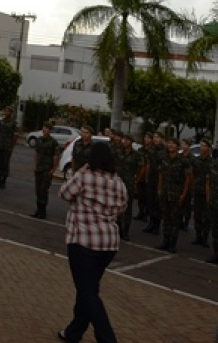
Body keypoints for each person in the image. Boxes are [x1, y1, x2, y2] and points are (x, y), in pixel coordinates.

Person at [58, 140, 127, 343]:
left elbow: (64, 193)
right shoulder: (118, 182)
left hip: (83, 240)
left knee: (88, 292)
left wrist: (82, 170)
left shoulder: (84, 176)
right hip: (108, 243)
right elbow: (122, 206)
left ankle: (107, 338)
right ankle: (74, 332)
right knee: (88, 289)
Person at [158, 136, 192, 253]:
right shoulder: (165, 158)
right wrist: (159, 188)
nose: (170, 146)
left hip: (176, 193)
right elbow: (161, 174)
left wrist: (183, 194)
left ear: (178, 147)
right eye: (169, 143)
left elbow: (188, 178)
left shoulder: (183, 161)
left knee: (175, 219)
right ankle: (165, 241)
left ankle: (173, 243)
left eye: (173, 144)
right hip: (165, 192)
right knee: (166, 217)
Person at [116, 134, 142, 240]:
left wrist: (137, 179)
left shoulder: (136, 155)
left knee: (127, 208)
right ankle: (117, 229)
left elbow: (141, 167)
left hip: (129, 183)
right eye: (124, 139)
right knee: (117, 206)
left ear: (131, 142)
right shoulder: (118, 152)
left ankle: (125, 231)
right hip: (118, 182)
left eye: (127, 140)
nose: (125, 141)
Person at [31, 122, 59, 219]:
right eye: (43, 127)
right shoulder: (39, 140)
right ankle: (38, 209)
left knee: (44, 190)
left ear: (50, 130)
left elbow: (56, 156)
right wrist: (35, 166)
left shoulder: (53, 142)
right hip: (39, 168)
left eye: (47, 128)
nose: (44, 129)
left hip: (47, 169)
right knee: (38, 190)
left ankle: (43, 211)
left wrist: (53, 169)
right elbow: (36, 153)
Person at [191, 137, 212, 248]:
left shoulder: (211, 162)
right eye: (201, 145)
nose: (202, 148)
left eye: (204, 146)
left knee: (206, 216)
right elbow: (193, 174)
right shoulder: (197, 160)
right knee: (197, 214)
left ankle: (204, 237)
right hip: (198, 190)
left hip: (207, 192)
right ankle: (198, 236)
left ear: (208, 148)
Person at [0, 105, 16, 189]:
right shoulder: (2, 121)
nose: (6, 113)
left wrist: (11, 147)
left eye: (8, 111)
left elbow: (14, 136)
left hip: (7, 146)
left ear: (11, 113)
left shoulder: (13, 123)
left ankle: (3, 181)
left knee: (5, 164)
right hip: (0, 145)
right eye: (6, 111)